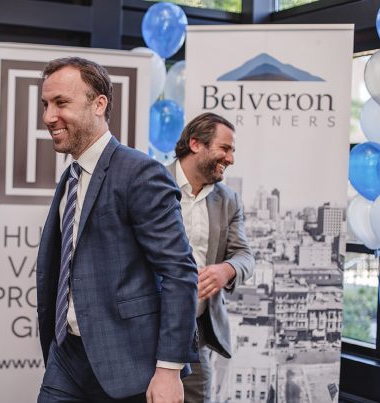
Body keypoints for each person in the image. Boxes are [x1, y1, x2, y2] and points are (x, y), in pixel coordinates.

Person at [36, 57, 199, 403]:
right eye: (46, 104)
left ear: (99, 104)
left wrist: (169, 370)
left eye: (61, 102)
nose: (49, 116)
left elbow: (179, 273)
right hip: (67, 357)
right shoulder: (71, 177)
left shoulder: (140, 173)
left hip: (129, 364)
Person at [167, 113, 255, 403]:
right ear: (195, 144)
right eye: (225, 148)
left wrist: (226, 270)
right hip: (146, 329)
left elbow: (245, 255)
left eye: (232, 151)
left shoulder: (228, 200)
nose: (231, 159)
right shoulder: (152, 182)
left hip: (196, 334)